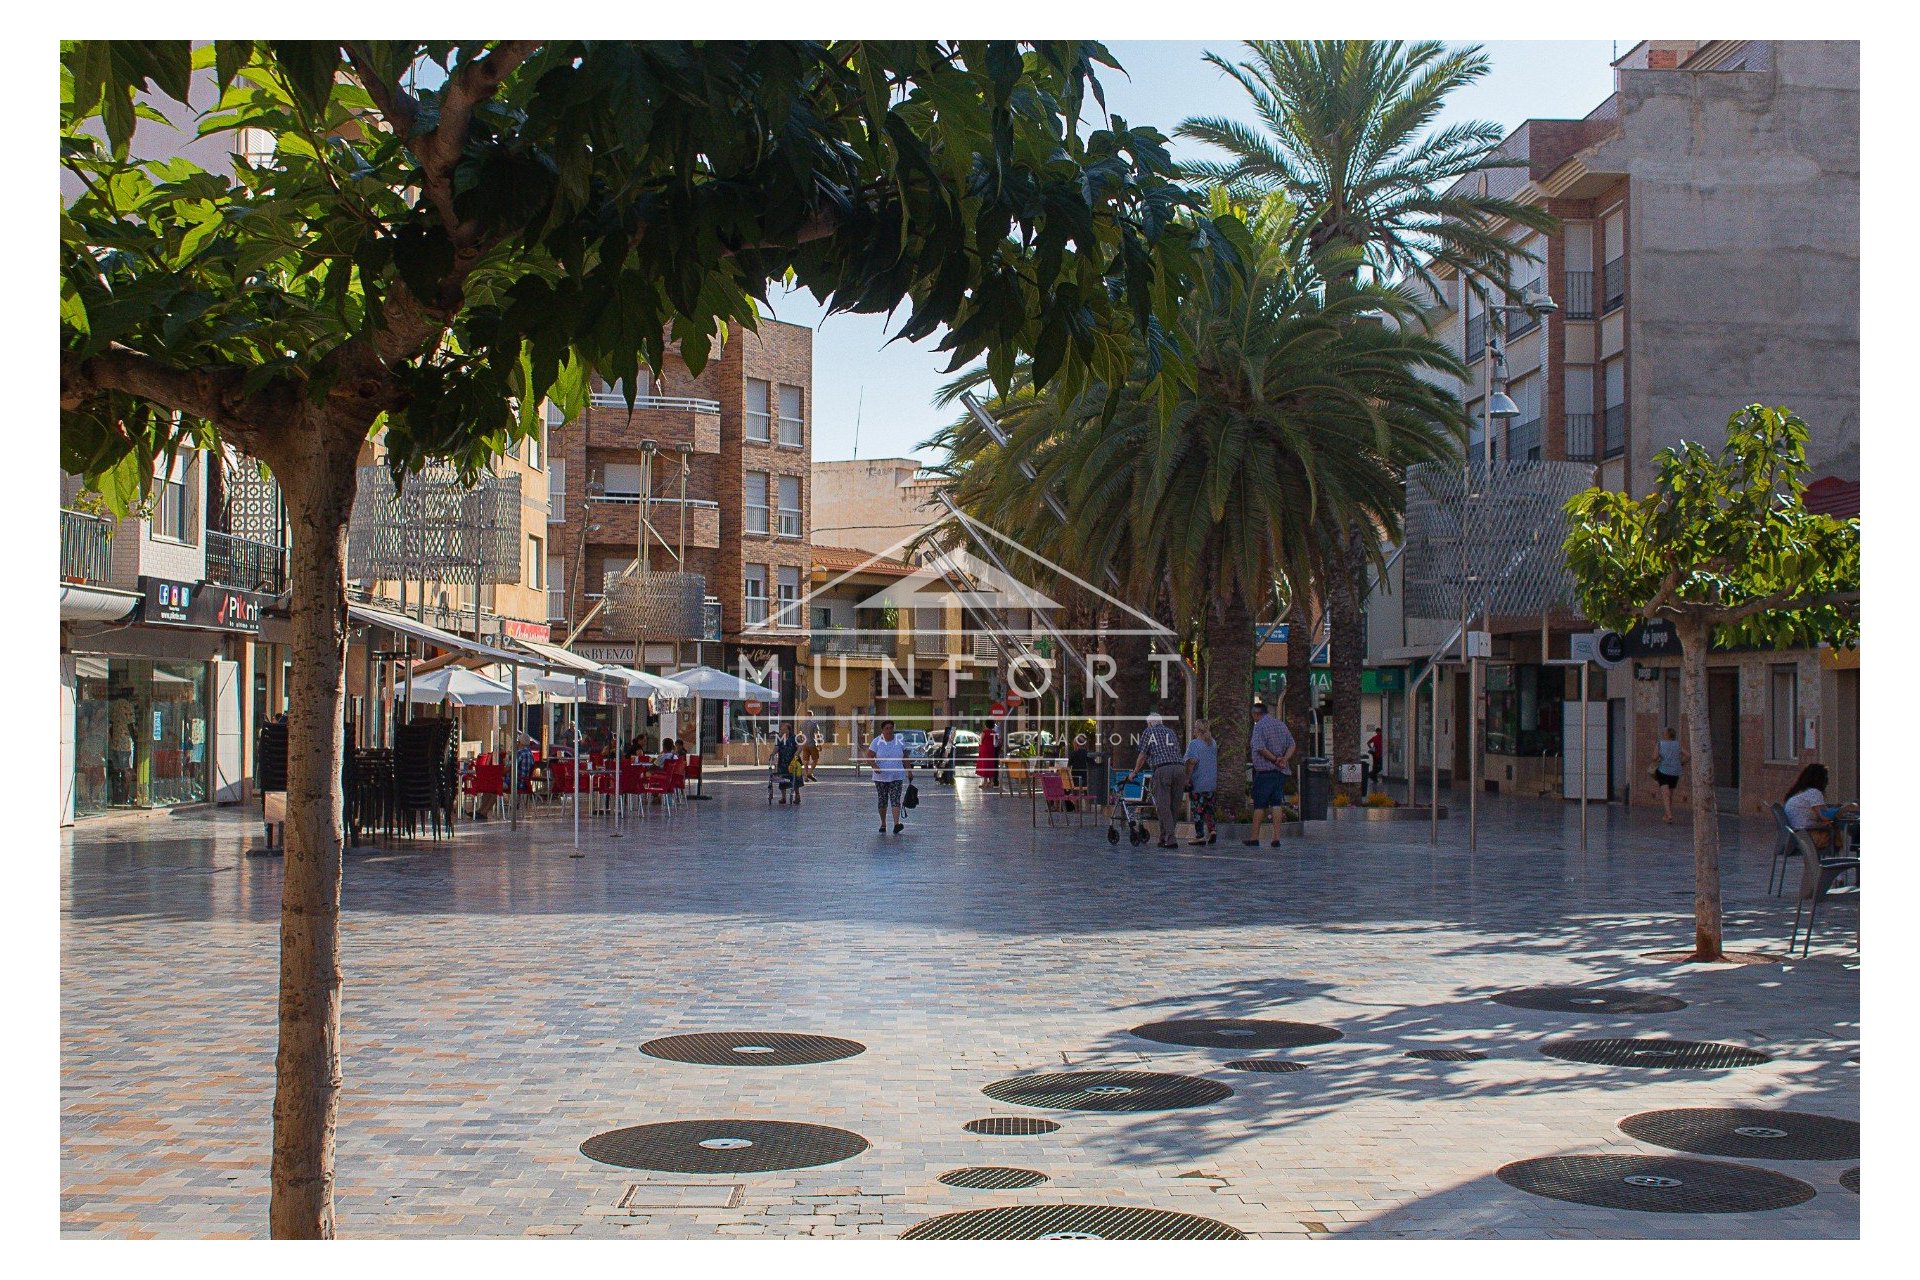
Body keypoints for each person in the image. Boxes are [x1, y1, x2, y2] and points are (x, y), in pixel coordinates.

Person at [1245, 700, 1297, 846]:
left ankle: (1254, 837)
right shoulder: (1281, 724)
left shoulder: (1259, 727)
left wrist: (1275, 759)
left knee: (1259, 805)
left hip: (1265, 771)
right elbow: (1292, 744)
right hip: (1280, 772)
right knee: (1276, 803)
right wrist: (1284, 760)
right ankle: (1276, 838)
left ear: (1256, 714)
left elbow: (1260, 747)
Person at [1133, 710, 1187, 849]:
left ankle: (1170, 838)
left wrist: (1134, 772)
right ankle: (1164, 837)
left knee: (1163, 805)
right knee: (1174, 806)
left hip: (1162, 769)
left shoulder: (1149, 732)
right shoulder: (1171, 732)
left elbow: (1143, 755)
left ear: (1150, 723)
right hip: (1180, 769)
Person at [1783, 762, 1854, 851]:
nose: (1828, 782)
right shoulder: (1814, 792)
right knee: (1842, 826)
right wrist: (1845, 809)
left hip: (1797, 836)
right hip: (1809, 836)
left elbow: (1816, 811)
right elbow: (1825, 816)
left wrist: (1834, 808)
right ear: (1820, 779)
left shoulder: (1800, 792)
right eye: (1826, 778)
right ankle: (1854, 852)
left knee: (1838, 825)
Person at [868, 719, 913, 834]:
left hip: (897, 775)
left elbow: (905, 756)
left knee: (895, 799)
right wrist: (874, 766)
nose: (889, 730)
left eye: (891, 728)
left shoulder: (899, 740)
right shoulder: (876, 741)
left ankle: (896, 824)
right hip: (881, 777)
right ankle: (883, 823)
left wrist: (909, 771)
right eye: (886, 728)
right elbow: (869, 756)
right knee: (883, 800)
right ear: (882, 730)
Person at [1183, 719, 1219, 845]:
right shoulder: (1212, 743)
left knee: (1198, 809)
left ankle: (1200, 836)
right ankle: (1212, 831)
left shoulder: (1194, 744)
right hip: (1211, 783)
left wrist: (1187, 778)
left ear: (1197, 729)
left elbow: (1191, 761)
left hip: (1198, 783)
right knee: (1209, 809)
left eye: (1194, 728)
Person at [1652, 726, 1687, 823]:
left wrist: (1660, 757)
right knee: (1670, 794)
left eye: (1664, 733)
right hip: (1675, 772)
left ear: (1666, 735)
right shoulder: (1678, 744)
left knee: (1665, 794)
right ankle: (1667, 815)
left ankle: (1669, 814)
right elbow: (1688, 755)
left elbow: (1654, 758)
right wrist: (1681, 763)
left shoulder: (1660, 744)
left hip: (1663, 771)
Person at [773, 725, 804, 804]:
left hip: (792, 761)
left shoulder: (794, 738)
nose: (781, 730)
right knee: (782, 779)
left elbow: (800, 746)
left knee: (795, 779)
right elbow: (776, 748)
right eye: (780, 729)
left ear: (788, 730)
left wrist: (797, 753)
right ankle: (783, 797)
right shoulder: (779, 738)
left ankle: (797, 796)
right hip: (782, 762)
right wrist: (773, 754)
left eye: (783, 729)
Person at [975, 720, 1001, 790]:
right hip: (991, 750)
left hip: (984, 750)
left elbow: (980, 741)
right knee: (990, 764)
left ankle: (985, 782)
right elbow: (997, 741)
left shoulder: (984, 732)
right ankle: (991, 782)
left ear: (986, 725)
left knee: (985, 765)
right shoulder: (994, 732)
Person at [799, 709, 824, 780]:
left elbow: (800, 734)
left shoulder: (802, 724)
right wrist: (819, 744)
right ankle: (810, 772)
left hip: (805, 744)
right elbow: (817, 735)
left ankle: (806, 777)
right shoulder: (814, 724)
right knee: (815, 759)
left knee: (806, 761)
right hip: (812, 744)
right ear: (812, 716)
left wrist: (802, 741)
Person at [1365, 726, 1383, 792]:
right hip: (1378, 754)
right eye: (1378, 732)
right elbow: (1368, 742)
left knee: (1376, 766)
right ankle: (1372, 775)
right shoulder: (1380, 737)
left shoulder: (1376, 737)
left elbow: (1368, 742)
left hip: (1376, 754)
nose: (1378, 733)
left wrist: (1371, 748)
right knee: (1379, 766)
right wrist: (1372, 748)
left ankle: (1373, 775)